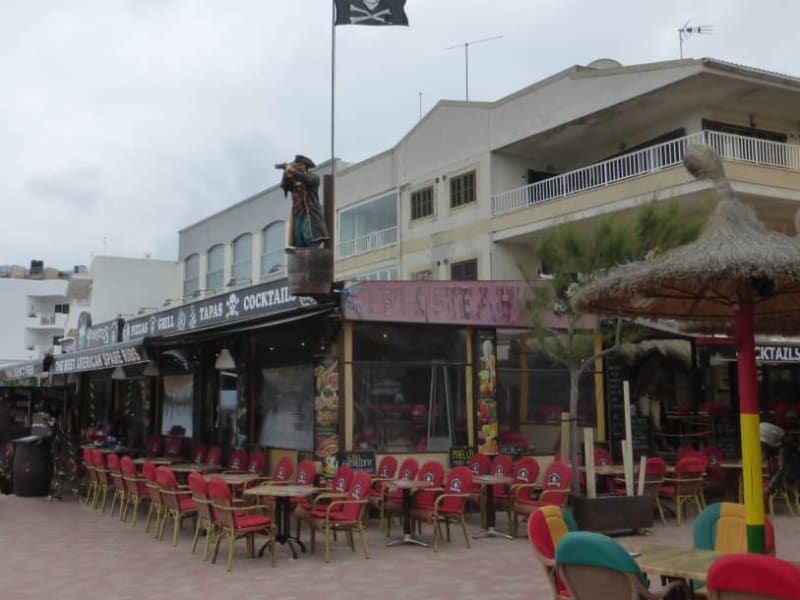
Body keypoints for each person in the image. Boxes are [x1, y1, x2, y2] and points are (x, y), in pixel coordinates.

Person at [279, 155, 329, 249]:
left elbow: (306, 179)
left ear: (304, 166)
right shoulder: (295, 180)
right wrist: (286, 174)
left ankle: (312, 252)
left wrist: (292, 171)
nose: (297, 167)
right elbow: (285, 185)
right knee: (298, 237)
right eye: (296, 165)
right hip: (298, 211)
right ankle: (301, 253)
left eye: (299, 165)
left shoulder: (313, 177)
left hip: (309, 211)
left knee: (308, 236)